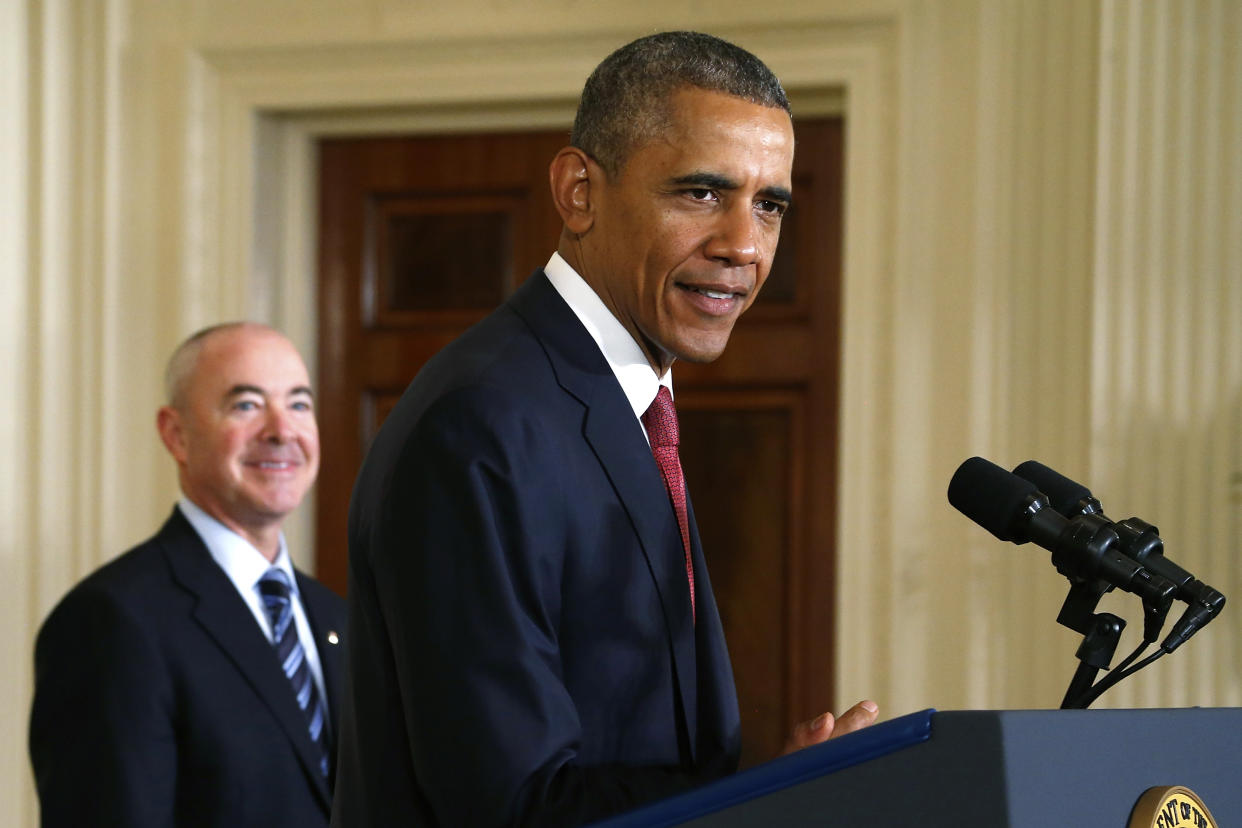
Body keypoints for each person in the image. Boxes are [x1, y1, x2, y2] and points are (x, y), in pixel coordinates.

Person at [332, 31, 878, 828]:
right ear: (579, 191)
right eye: (700, 193)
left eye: (769, 205)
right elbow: (511, 805)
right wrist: (773, 804)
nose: (743, 246)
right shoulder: (483, 425)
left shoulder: (612, 398)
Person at [29, 322, 347, 828]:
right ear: (176, 434)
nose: (282, 430)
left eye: (299, 404)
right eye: (246, 404)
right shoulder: (112, 621)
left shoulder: (338, 618)